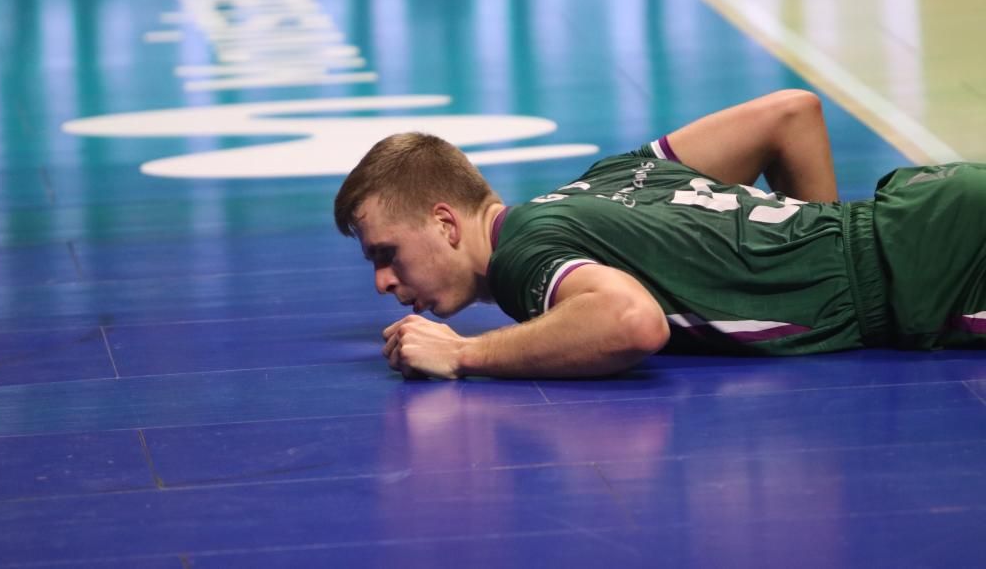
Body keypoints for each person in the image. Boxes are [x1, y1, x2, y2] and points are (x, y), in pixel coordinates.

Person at [334, 90, 986, 379]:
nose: (382, 282)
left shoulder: (521, 256)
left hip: (936, 268)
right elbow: (790, 115)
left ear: (447, 222)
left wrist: (465, 354)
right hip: (928, 209)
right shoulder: (611, 175)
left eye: (386, 254)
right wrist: (810, 247)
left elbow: (629, 323)